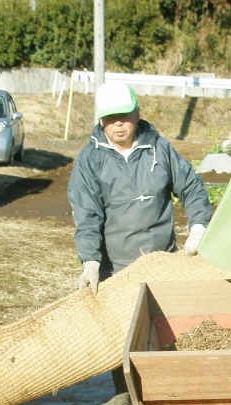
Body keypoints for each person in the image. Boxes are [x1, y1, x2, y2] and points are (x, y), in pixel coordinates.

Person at [67, 82, 212, 294]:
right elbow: (87, 214)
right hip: (115, 271)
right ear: (100, 119)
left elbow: (191, 187)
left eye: (124, 115)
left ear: (137, 113)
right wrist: (90, 260)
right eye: (110, 117)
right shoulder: (89, 159)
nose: (118, 123)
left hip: (162, 263)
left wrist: (199, 226)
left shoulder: (159, 149)